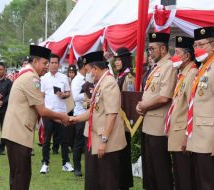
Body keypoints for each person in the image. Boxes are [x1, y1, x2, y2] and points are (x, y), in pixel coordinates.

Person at [1, 45, 70, 190]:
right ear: (35, 61)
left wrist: (61, 119)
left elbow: (39, 111)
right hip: (18, 133)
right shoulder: (32, 79)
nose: (47, 67)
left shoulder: (27, 75)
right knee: (21, 176)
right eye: (45, 63)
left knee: (17, 175)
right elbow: (42, 110)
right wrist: (63, 117)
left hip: (15, 132)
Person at [70, 51, 127, 190]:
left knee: (107, 180)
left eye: (88, 70)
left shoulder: (109, 84)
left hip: (106, 142)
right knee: (95, 179)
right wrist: (75, 118)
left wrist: (104, 140)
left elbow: (112, 114)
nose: (87, 73)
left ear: (95, 68)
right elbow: (93, 111)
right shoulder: (100, 83)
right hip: (95, 137)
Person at [136, 32, 177, 190]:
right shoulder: (157, 67)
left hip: (159, 127)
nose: (150, 52)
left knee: (161, 170)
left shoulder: (170, 67)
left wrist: (143, 106)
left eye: (152, 49)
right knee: (150, 169)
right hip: (149, 124)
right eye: (148, 49)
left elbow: (164, 97)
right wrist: (142, 105)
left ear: (163, 48)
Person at [165, 36, 197, 190]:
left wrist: (187, 135)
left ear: (186, 56)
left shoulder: (192, 74)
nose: (174, 56)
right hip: (176, 132)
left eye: (177, 52)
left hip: (182, 134)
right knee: (178, 176)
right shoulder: (183, 74)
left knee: (185, 178)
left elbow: (193, 107)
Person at [186, 26, 214, 190]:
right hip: (198, 136)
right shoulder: (204, 68)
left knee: (208, 182)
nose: (197, 49)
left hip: (208, 138)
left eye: (201, 45)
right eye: (195, 45)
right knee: (200, 181)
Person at [40, 54, 74, 174]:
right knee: (46, 139)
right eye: (52, 62)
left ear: (59, 64)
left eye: (56, 63)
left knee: (64, 139)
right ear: (48, 64)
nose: (54, 65)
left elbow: (68, 93)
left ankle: (65, 163)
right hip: (48, 113)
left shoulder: (64, 77)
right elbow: (42, 96)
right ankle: (45, 163)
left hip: (61, 113)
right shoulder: (44, 78)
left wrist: (63, 95)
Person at [113, 47, 134, 190]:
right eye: (116, 59)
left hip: (124, 123)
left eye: (119, 59)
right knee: (118, 156)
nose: (116, 62)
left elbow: (130, 101)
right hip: (117, 122)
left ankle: (124, 185)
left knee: (123, 156)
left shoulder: (128, 77)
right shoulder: (119, 76)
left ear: (125, 60)